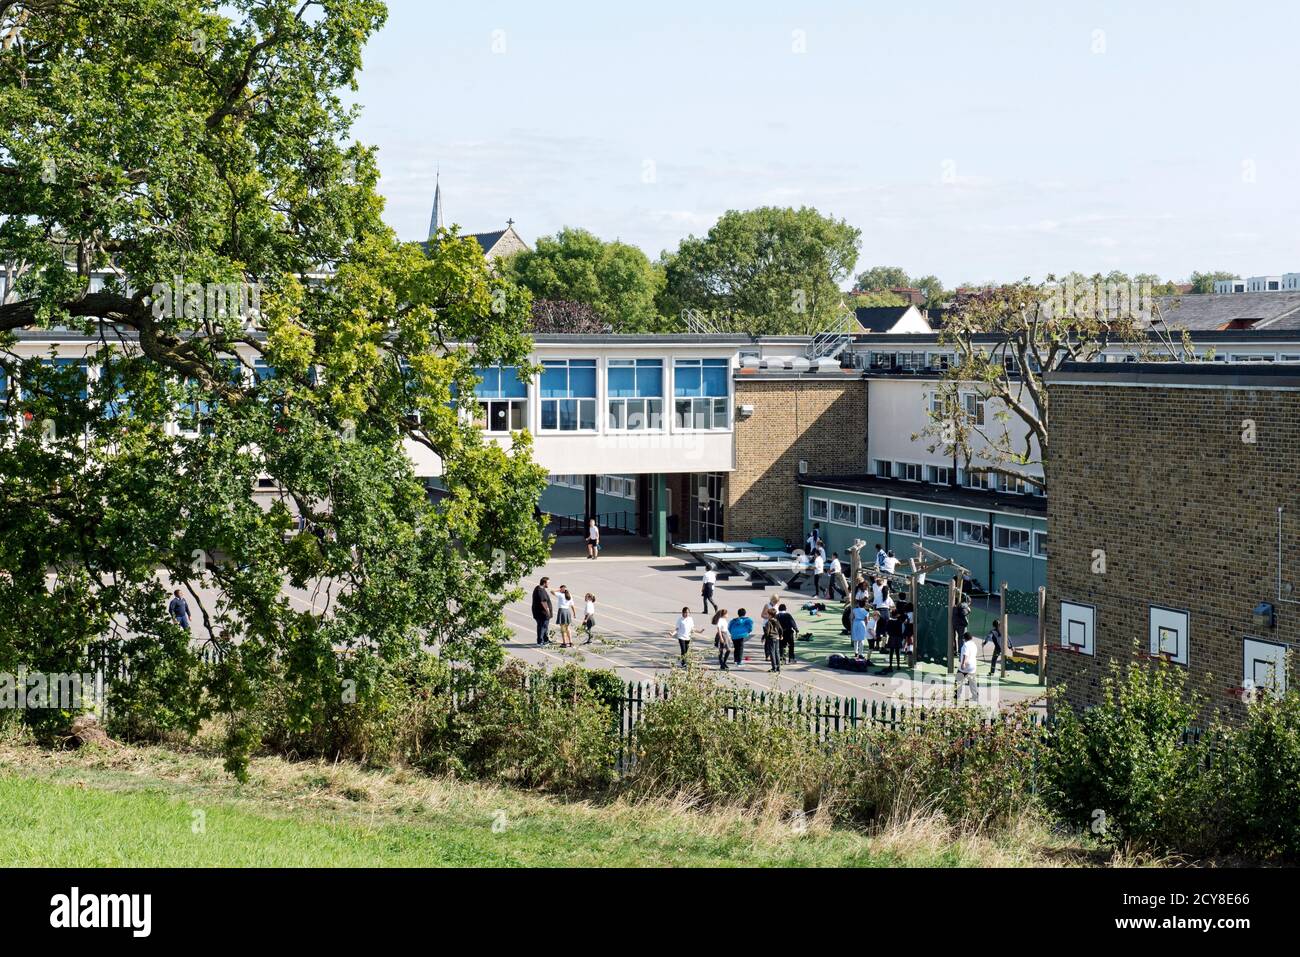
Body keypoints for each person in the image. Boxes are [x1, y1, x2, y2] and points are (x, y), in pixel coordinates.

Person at [956, 630, 981, 702]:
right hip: (973, 667)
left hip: (965, 667)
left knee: (958, 681)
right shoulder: (974, 645)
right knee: (972, 682)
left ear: (964, 638)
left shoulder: (965, 645)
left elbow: (965, 655)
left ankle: (957, 696)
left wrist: (963, 663)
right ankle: (975, 696)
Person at [531, 577, 554, 645]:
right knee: (542, 627)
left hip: (541, 613)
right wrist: (548, 611)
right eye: (548, 583)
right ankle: (540, 641)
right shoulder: (540, 591)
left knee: (545, 627)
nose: (549, 584)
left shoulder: (539, 588)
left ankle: (545, 639)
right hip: (541, 613)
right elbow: (543, 602)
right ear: (544, 583)